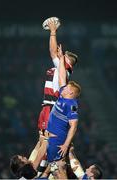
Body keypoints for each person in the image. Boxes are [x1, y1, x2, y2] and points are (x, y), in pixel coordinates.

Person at [33, 18, 79, 175]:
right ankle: (39, 173)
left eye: (63, 56)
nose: (60, 55)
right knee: (41, 144)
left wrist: (53, 31)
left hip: (52, 108)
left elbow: (53, 52)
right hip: (47, 106)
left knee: (44, 145)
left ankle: (34, 174)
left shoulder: (63, 70)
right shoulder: (60, 66)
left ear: (68, 62)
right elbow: (54, 52)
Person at [45, 44, 81, 179]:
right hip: (52, 138)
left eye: (67, 87)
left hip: (58, 141)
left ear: (71, 92)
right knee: (55, 170)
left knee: (59, 169)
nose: (64, 87)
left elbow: (74, 125)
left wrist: (66, 144)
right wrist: (60, 59)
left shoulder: (72, 105)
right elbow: (61, 77)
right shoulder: (62, 95)